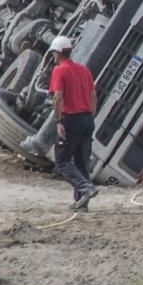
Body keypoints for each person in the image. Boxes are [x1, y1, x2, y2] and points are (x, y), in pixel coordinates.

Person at [48, 35, 99, 211]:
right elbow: (93, 96)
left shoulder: (59, 70)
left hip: (72, 119)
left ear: (58, 53)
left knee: (62, 161)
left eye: (54, 53)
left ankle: (86, 188)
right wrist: (91, 116)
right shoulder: (84, 70)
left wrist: (59, 120)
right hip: (87, 119)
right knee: (81, 161)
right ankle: (82, 204)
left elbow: (58, 97)